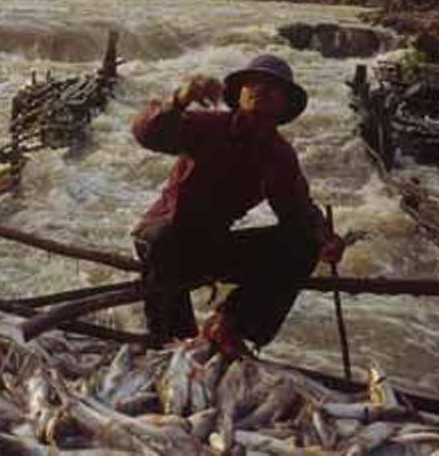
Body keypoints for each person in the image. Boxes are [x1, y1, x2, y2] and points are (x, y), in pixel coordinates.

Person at [131, 53, 344, 356]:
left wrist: (325, 239)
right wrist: (179, 99)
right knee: (175, 346)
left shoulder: (279, 154)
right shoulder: (208, 126)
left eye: (274, 86)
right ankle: (173, 341)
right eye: (253, 83)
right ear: (240, 94)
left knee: (301, 243)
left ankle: (229, 324)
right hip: (166, 238)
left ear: (285, 104)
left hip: (210, 244)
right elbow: (147, 133)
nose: (262, 89)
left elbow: (297, 210)